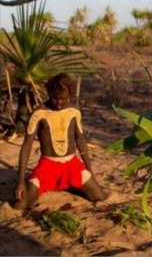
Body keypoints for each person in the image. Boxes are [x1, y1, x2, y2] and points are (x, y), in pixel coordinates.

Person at [13, 73, 108, 209]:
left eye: (63, 99)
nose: (59, 103)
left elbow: (80, 140)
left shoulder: (74, 111)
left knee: (99, 197)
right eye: (54, 98)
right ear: (49, 93)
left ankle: (71, 184)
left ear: (70, 94)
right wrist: (20, 181)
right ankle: (63, 185)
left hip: (72, 165)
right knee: (19, 205)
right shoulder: (39, 113)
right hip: (47, 167)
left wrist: (90, 171)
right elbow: (26, 146)